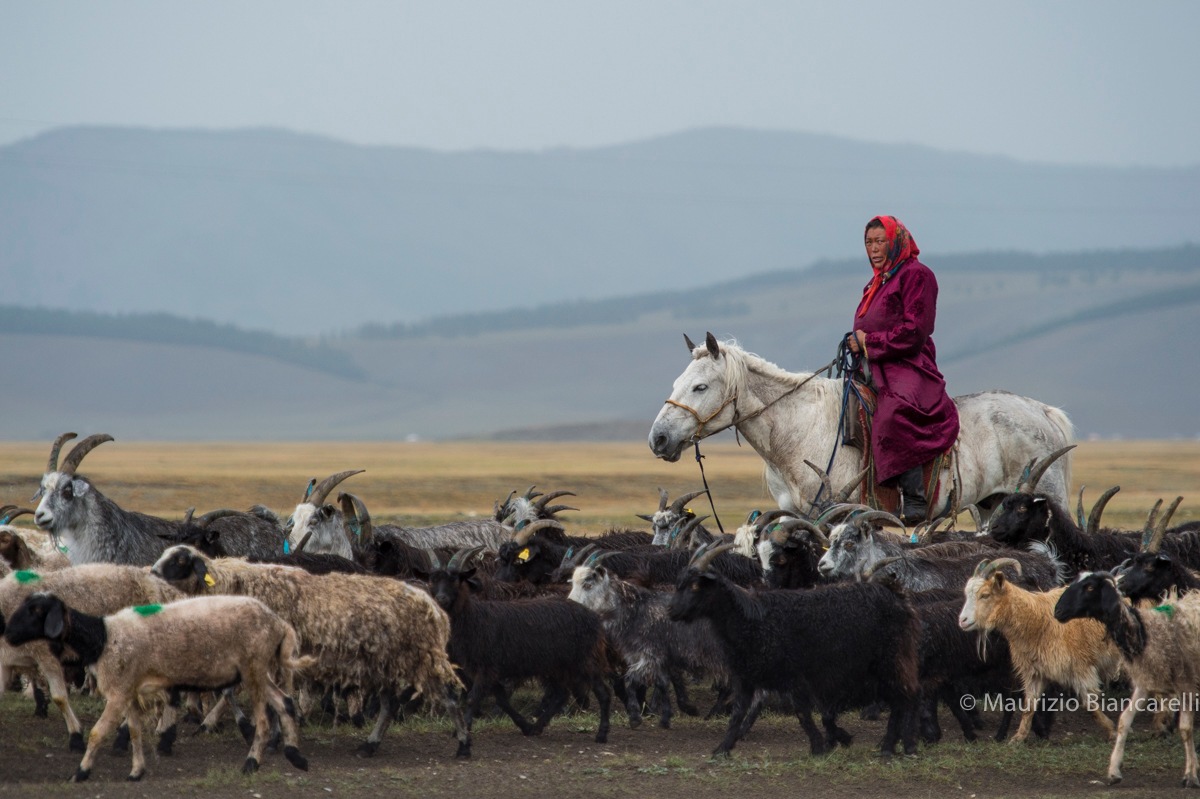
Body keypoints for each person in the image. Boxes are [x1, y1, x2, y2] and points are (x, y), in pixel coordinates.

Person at [846, 215, 959, 523]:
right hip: (875, 363)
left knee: (894, 409)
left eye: (880, 241)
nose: (873, 248)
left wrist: (870, 341)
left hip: (909, 363)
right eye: (869, 242)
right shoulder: (878, 280)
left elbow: (915, 331)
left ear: (895, 241)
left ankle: (914, 499)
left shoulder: (917, 275)